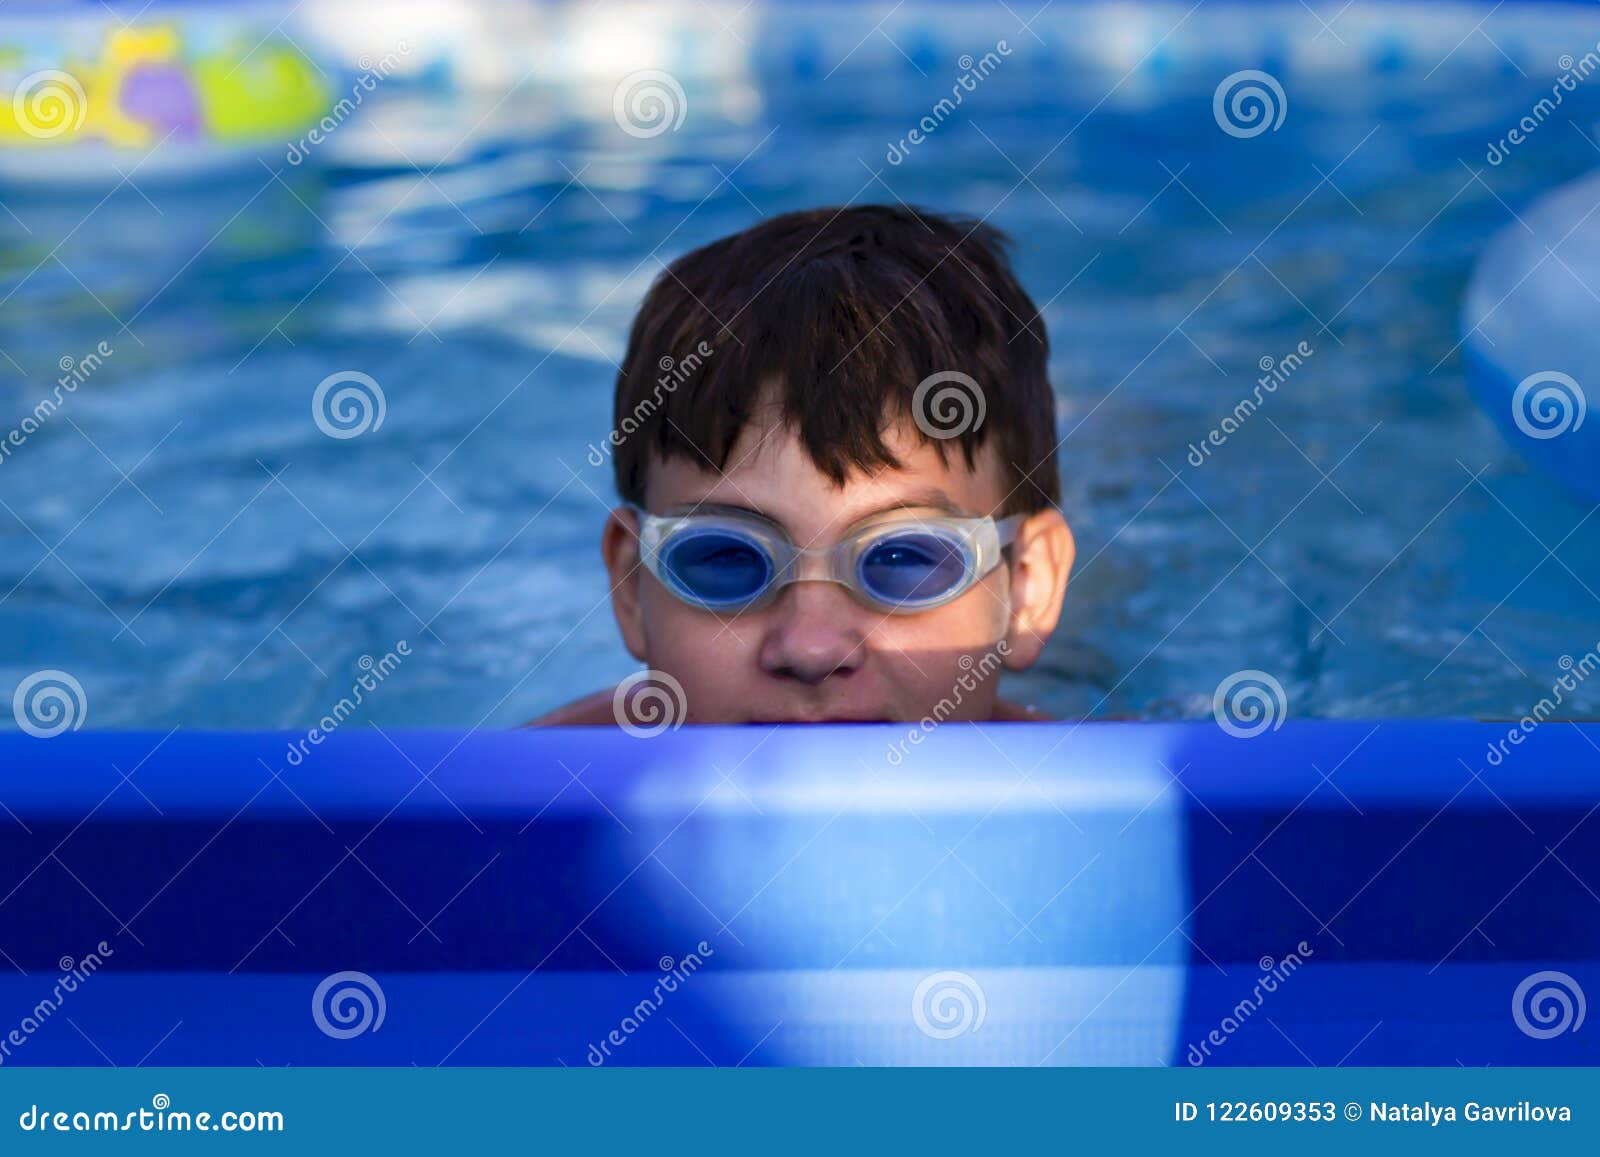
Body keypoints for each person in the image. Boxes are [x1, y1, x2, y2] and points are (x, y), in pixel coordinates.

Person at [535, 205, 1073, 725]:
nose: (810, 650)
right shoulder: (529, 780)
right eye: (727, 559)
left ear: (1027, 587)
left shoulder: (1097, 778)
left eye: (903, 559)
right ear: (632, 589)